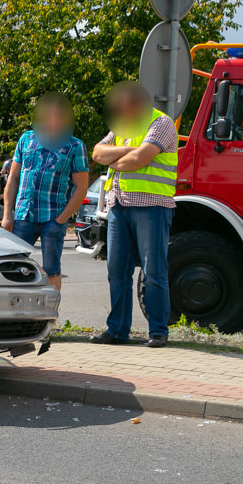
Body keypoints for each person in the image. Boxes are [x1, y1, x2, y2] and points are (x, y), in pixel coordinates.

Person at [90, 82, 178, 348]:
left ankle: (158, 331)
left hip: (152, 205)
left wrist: (117, 159)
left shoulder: (161, 123)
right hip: (119, 204)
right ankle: (117, 330)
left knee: (154, 271)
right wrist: (128, 153)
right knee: (116, 271)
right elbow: (97, 152)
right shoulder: (124, 125)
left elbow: (139, 160)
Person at [1, 92, 89, 291]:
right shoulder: (27, 139)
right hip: (24, 215)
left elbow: (81, 186)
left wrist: (62, 218)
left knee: (52, 270)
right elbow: (13, 178)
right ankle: (17, 315)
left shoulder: (74, 146)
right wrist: (8, 214)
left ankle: (49, 317)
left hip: (53, 217)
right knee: (12, 267)